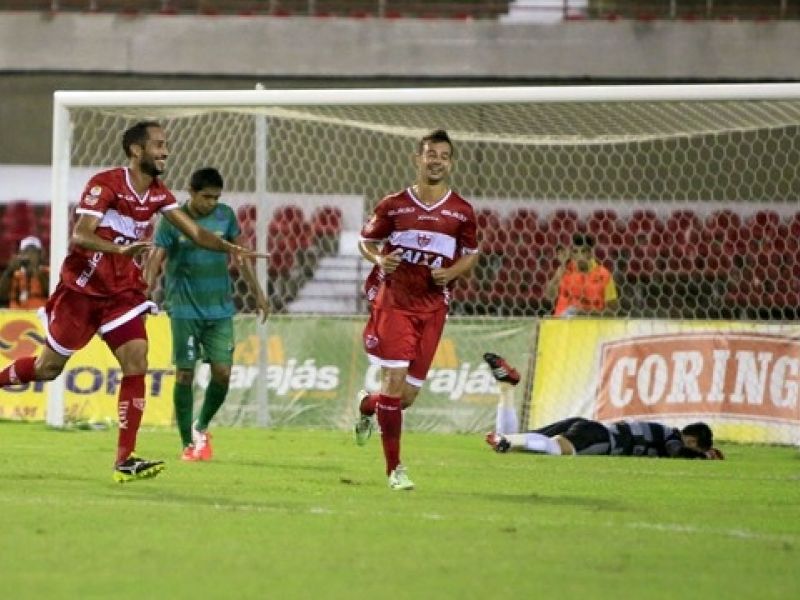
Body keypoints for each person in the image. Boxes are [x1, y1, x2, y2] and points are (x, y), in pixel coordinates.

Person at [0, 121, 261, 483]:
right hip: (82, 290)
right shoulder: (105, 184)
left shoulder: (158, 194)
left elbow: (196, 232)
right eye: (158, 145)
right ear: (137, 150)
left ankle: (124, 460)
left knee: (137, 359)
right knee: (48, 369)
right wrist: (119, 249)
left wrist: (230, 247)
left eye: (165, 145)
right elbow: (80, 235)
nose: (165, 151)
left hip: (122, 292)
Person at [353, 129, 479, 490]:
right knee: (393, 381)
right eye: (430, 154)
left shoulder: (461, 212)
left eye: (444, 156)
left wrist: (451, 273)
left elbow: (471, 254)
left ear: (450, 163)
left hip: (433, 308)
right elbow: (365, 241)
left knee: (405, 398)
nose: (436, 161)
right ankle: (395, 470)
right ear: (418, 159)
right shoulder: (394, 205)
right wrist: (380, 259)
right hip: (394, 303)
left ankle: (367, 406)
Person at [144, 167, 269, 462]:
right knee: (185, 373)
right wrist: (143, 293)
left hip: (220, 309)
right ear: (191, 191)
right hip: (184, 309)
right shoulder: (173, 219)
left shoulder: (226, 216)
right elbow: (155, 258)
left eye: (216, 197)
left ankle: (201, 426)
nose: (211, 203)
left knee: (223, 373)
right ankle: (187, 443)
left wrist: (258, 293)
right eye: (206, 197)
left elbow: (241, 255)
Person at [483, 352, 724, 460]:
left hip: (590, 427)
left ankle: (507, 388)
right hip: (601, 438)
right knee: (556, 449)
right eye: (694, 445)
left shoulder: (664, 432)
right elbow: (677, 452)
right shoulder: (672, 437)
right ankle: (506, 440)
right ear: (690, 439)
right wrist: (703, 456)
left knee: (517, 441)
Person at [546, 232, 618, 317]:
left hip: (590, 323)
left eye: (583, 252)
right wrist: (556, 278)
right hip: (561, 322)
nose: (579, 256)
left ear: (590, 253)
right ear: (571, 254)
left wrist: (582, 313)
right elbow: (549, 297)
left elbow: (613, 311)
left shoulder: (604, 275)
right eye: (575, 252)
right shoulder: (565, 270)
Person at [0, 236, 49, 309]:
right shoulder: (15, 274)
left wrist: (36, 271)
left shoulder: (47, 272)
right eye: (26, 251)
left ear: (40, 254)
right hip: (15, 314)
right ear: (20, 254)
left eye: (33, 251)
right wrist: (9, 271)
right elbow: (2, 295)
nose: (29, 255)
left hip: (38, 313)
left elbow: (51, 293)